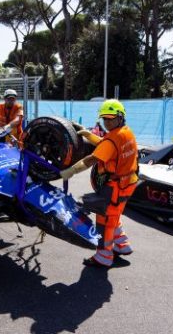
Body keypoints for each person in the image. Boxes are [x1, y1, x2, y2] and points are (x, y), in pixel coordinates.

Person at [59, 99, 138, 268]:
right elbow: (107, 144)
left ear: (120, 117)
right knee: (114, 216)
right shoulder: (126, 132)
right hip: (128, 183)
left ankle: (104, 256)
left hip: (115, 187)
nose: (107, 122)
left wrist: (71, 171)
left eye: (111, 118)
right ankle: (122, 246)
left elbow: (91, 159)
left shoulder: (112, 139)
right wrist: (87, 134)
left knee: (104, 221)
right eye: (105, 119)